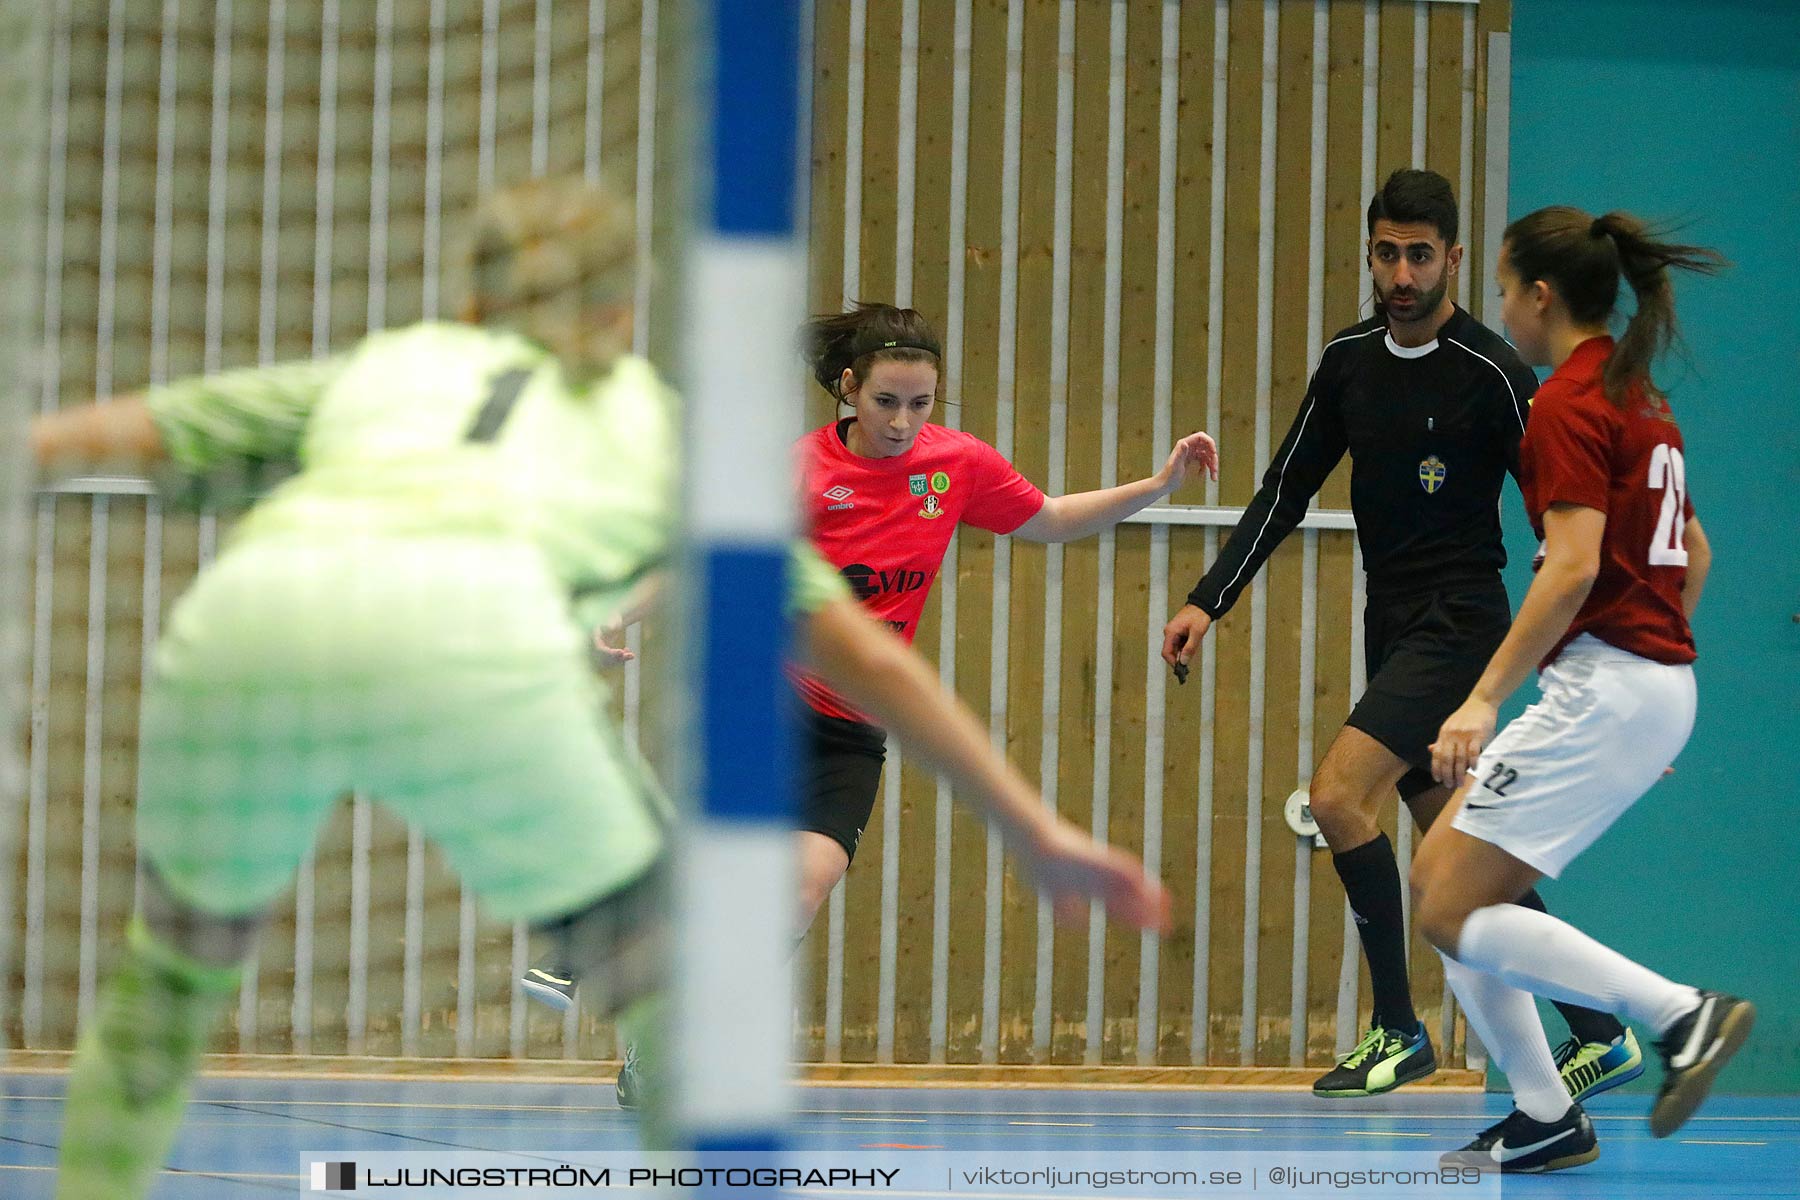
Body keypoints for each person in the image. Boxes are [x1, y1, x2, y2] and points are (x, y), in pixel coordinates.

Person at [36, 177, 1170, 1200]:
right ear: (620, 319)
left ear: (474, 309)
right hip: (471, 669)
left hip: (248, 637)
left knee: (172, 977)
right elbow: (862, 654)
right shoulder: (655, 427)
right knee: (676, 1005)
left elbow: (153, 426)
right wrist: (1029, 826)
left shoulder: (397, 364)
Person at [525, 301, 1216, 1104]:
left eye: (920, 404)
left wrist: (1160, 484)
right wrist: (619, 609)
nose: (901, 421)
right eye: (886, 401)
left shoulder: (956, 465)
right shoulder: (802, 469)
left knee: (801, 887)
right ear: (849, 388)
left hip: (853, 726)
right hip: (768, 701)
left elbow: (1052, 520)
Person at [1161, 168, 1633, 1098]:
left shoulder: (1499, 373)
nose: (1403, 272)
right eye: (1388, 253)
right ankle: (1598, 1027)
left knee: (1338, 796)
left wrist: (1599, 659)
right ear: (1370, 255)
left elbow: (1562, 526)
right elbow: (1285, 489)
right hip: (1392, 617)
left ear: (1453, 259)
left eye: (1422, 255)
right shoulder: (1347, 362)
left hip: (1461, 619)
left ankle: (1396, 1028)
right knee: (1456, 859)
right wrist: (1207, 598)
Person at [1414, 206, 1749, 1172]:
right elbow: (1695, 555)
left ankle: (1679, 1016)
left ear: (1540, 296)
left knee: (1444, 907)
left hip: (1613, 686)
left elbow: (1567, 571)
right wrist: (1659, 694)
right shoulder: (1639, 396)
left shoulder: (1567, 402)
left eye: (1508, 286)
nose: (1503, 305)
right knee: (1443, 879)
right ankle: (1544, 1111)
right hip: (1644, 685)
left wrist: (1481, 699)